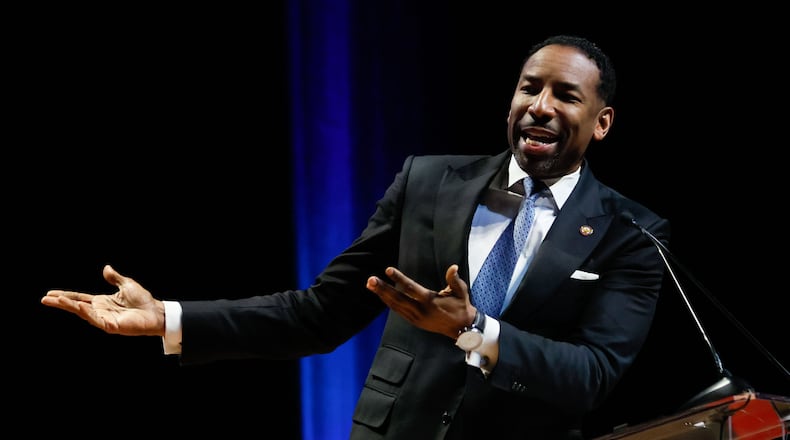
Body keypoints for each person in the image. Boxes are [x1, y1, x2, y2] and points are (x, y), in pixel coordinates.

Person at [41, 34, 669, 439]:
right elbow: (317, 314)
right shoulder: (427, 183)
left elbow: (594, 373)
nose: (540, 105)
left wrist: (474, 330)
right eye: (529, 87)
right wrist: (170, 319)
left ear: (601, 121)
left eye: (566, 95)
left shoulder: (631, 232)